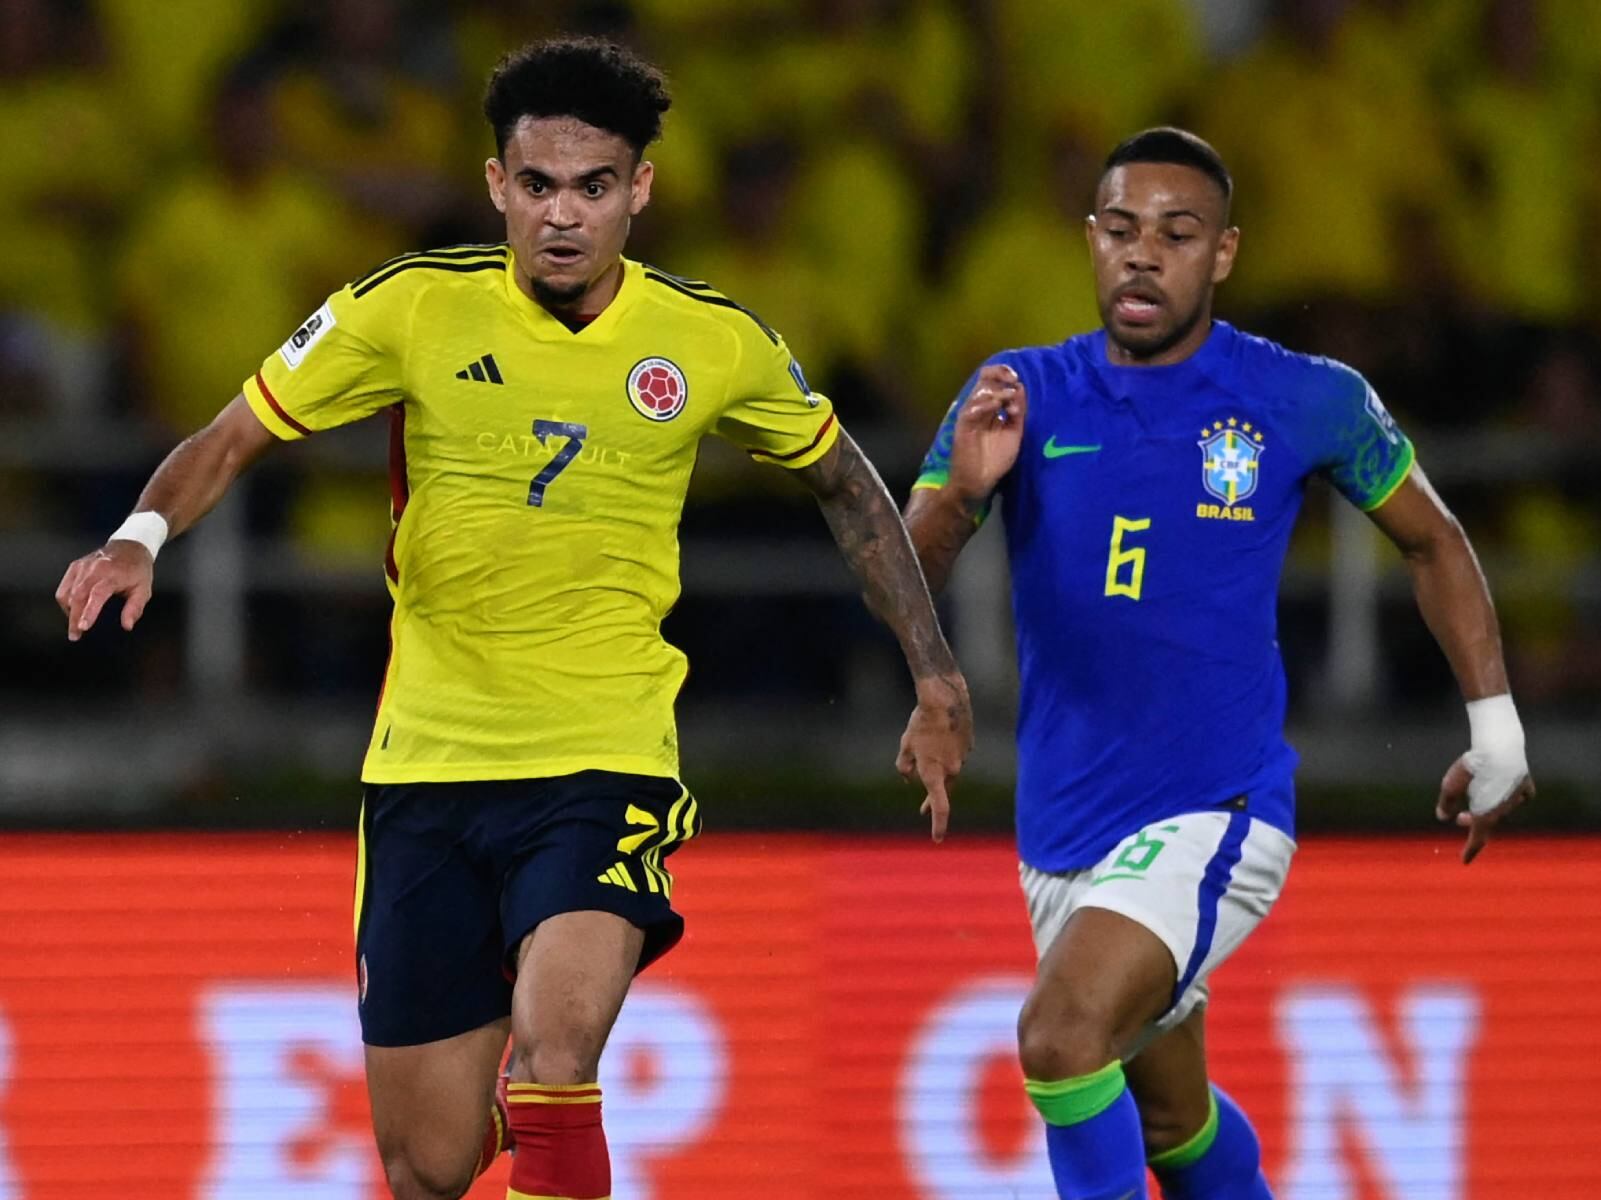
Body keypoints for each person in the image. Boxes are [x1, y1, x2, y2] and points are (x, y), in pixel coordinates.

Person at [56, 37, 973, 1200]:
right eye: (536, 185)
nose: (562, 216)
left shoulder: (710, 338)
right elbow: (232, 433)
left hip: (603, 757)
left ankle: (539, 1108)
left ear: (639, 190)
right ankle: (499, 1122)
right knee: (429, 1164)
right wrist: (137, 538)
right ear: (497, 185)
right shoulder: (410, 308)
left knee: (554, 1052)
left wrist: (933, 672)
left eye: (593, 187)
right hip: (427, 766)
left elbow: (844, 480)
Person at [904, 127, 1533, 1199]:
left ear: (1223, 253)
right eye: (1118, 230)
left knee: (1058, 1036)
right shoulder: (1018, 393)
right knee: (1167, 1119)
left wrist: (1495, 731)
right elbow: (901, 563)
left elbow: (1432, 540)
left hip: (1215, 810)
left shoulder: (1302, 395)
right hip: (1061, 824)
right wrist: (961, 492)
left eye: (1174, 233)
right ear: (1088, 239)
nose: (1141, 254)